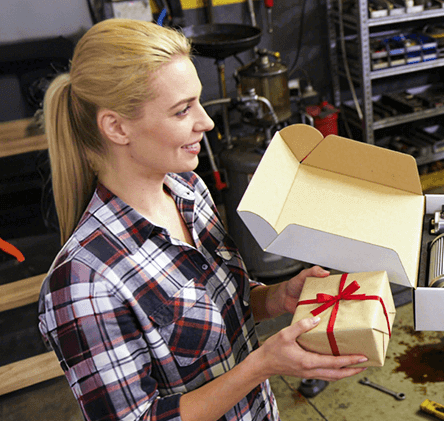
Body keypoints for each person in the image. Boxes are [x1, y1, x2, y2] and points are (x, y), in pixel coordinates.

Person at [37, 19, 366, 421]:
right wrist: (262, 365)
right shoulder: (84, 282)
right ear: (116, 127)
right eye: (181, 111)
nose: (206, 122)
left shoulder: (189, 191)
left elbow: (224, 309)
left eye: (198, 102)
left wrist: (276, 298)